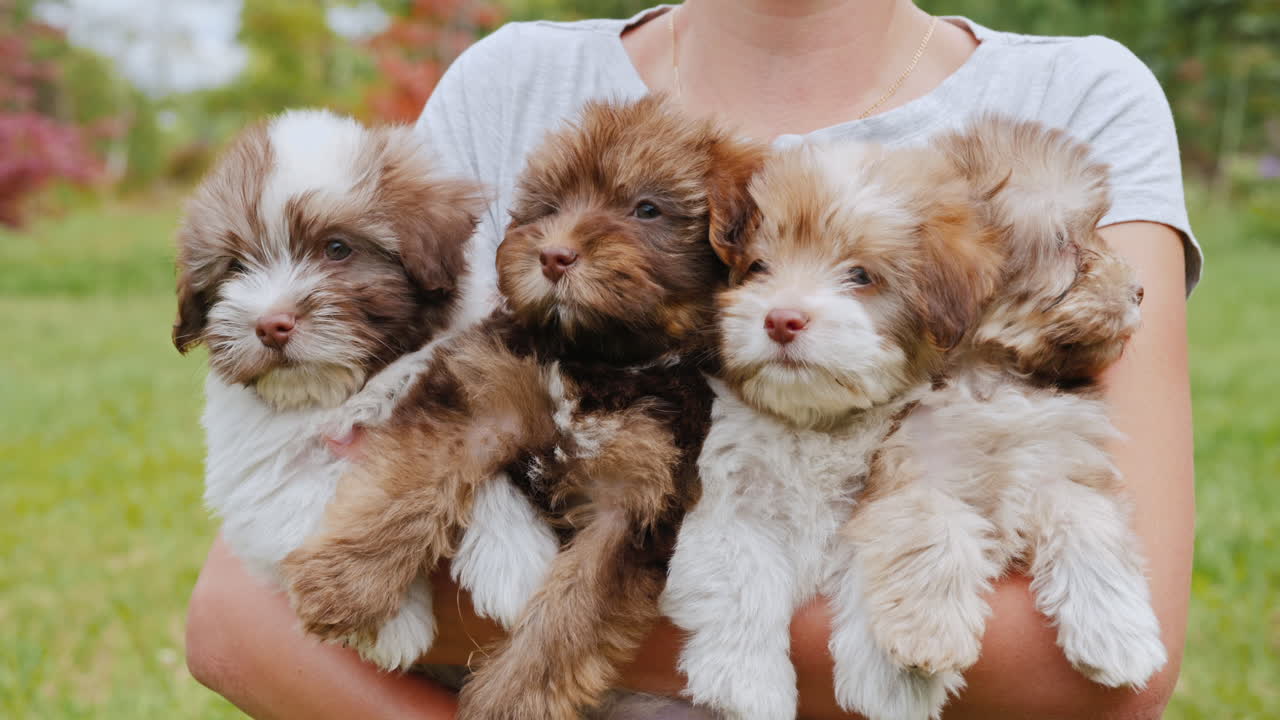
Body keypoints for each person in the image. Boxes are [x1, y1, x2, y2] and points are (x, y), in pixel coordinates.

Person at [184, 2, 1197, 718]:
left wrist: (647, 627)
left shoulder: (1066, 105)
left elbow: (1106, 664)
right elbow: (247, 608)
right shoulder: (515, 83)